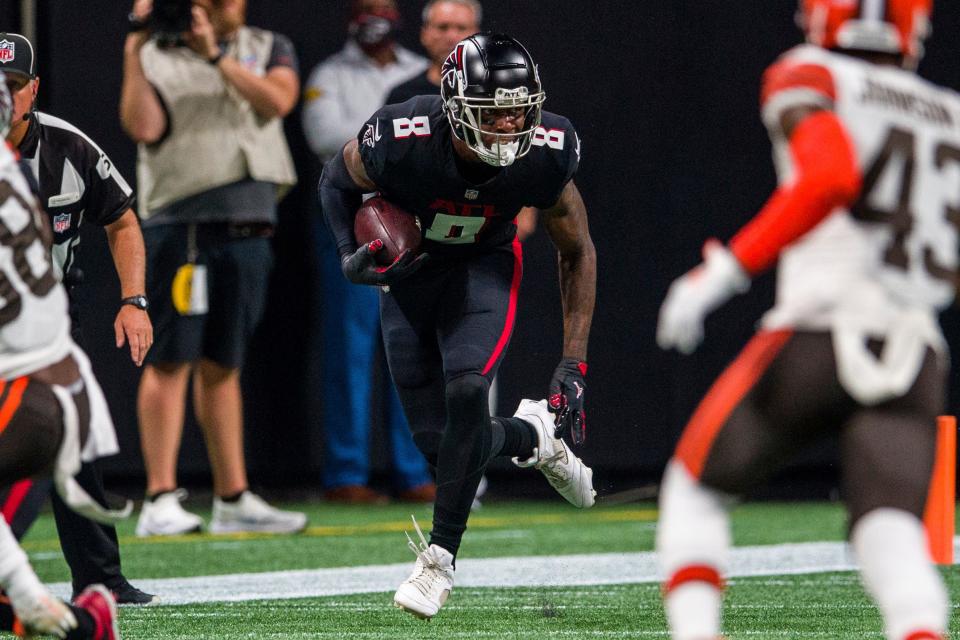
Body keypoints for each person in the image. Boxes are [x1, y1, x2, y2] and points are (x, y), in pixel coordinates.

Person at [655, 1, 952, 638]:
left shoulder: (812, 74)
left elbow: (828, 177)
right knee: (892, 532)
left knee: (695, 491)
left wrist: (724, 272)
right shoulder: (950, 114)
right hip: (917, 349)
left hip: (820, 329)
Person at [318, 32, 597, 619]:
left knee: (468, 389)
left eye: (519, 110)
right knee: (439, 448)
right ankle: (535, 438)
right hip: (411, 280)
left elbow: (576, 249)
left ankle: (439, 560)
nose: (509, 125)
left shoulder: (548, 149)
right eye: (493, 113)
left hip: (482, 269)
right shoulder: (401, 136)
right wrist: (349, 254)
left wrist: (573, 361)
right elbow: (334, 181)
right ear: (453, 107)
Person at [120, 0, 306, 536]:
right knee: (172, 357)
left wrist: (215, 56)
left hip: (249, 222)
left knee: (226, 360)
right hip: (183, 223)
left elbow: (277, 101)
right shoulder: (154, 52)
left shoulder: (269, 45)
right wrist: (134, 46)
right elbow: (143, 125)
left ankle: (232, 495)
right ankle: (158, 497)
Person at [0, 31, 156, 606]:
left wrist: (133, 300)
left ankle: (101, 579)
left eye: (12, 86)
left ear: (33, 90)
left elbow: (121, 219)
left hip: (47, 319)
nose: (2, 96)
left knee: (72, 437)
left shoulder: (69, 147)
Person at [0, 74, 121, 640]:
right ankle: (74, 621)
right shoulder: (23, 170)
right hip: (51, 377)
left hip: (28, 388)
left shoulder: (44, 158)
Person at [302, 0, 433, 504]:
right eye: (365, 8)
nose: (373, 17)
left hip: (416, 220)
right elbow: (325, 137)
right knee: (349, 347)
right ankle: (346, 471)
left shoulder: (415, 69)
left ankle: (413, 468)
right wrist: (400, 147)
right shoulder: (330, 74)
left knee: (413, 344)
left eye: (382, 7)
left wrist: (379, 144)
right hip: (353, 216)